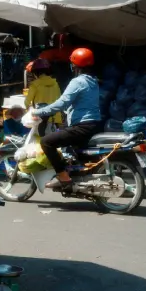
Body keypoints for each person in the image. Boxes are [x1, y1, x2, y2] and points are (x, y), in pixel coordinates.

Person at [37, 48, 102, 189]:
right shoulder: (93, 81)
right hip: (94, 124)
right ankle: (76, 175)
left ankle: (63, 177)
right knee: (65, 135)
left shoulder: (77, 82)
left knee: (47, 142)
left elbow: (62, 103)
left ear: (74, 65)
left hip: (82, 126)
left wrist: (39, 112)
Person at [25, 59, 62, 127]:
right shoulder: (56, 83)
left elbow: (27, 102)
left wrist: (29, 111)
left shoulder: (35, 84)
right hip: (55, 118)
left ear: (35, 72)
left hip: (40, 119)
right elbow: (60, 99)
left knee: (40, 137)